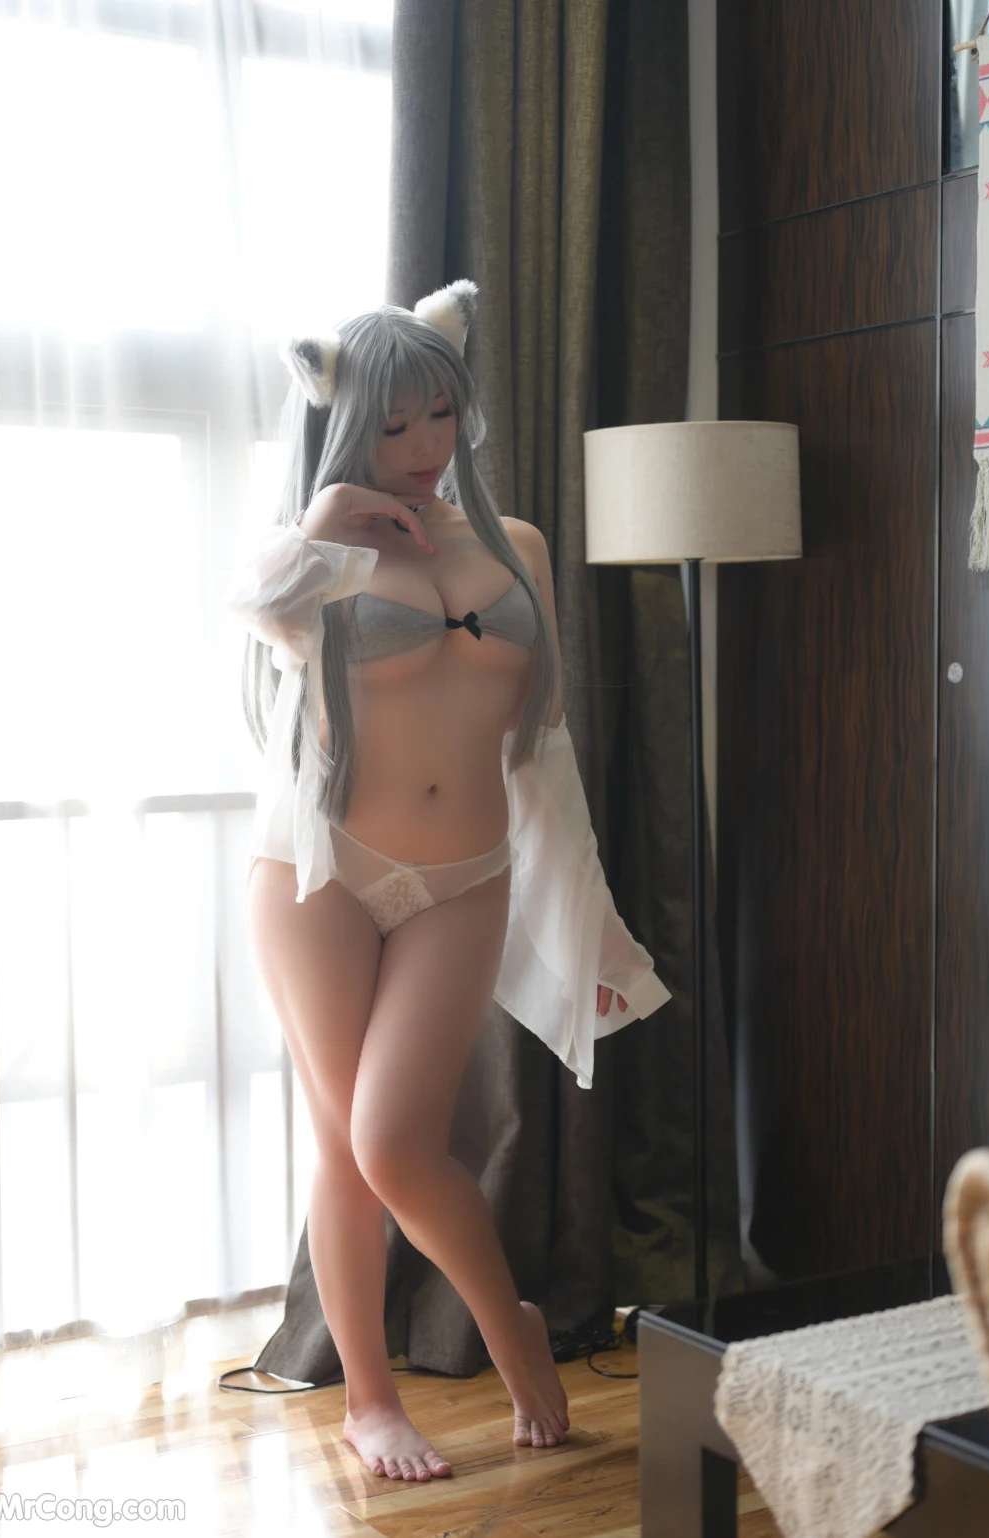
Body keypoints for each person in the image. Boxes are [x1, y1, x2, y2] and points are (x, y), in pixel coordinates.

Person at [226, 279, 673, 1482]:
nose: (425, 446)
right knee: (346, 1144)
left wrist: (585, 919)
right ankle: (371, 1400)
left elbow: (545, 742)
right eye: (392, 425)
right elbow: (251, 605)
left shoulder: (515, 547)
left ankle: (509, 1321)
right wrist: (330, 519)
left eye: (441, 415)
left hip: (464, 875)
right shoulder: (319, 558)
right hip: (318, 874)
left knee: (394, 1139)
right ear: (344, 428)